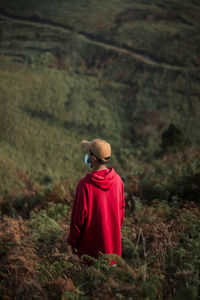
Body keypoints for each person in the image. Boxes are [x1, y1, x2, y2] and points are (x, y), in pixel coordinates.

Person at [67, 138, 125, 266]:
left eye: (88, 153)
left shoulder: (85, 185)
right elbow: (120, 216)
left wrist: (72, 243)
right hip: (113, 254)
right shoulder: (118, 181)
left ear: (93, 159)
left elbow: (78, 220)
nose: (86, 155)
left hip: (89, 255)